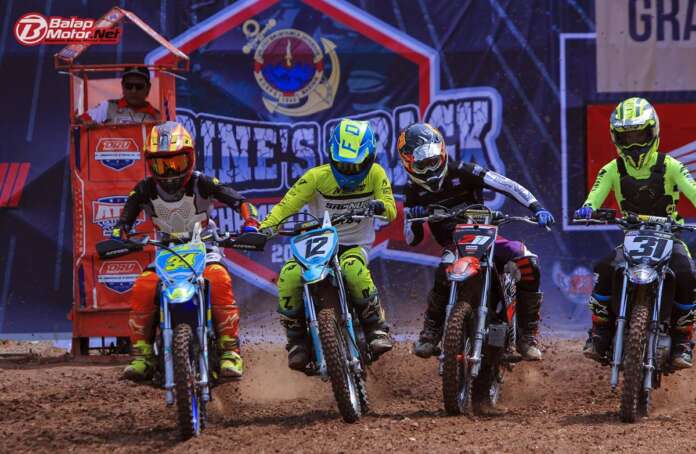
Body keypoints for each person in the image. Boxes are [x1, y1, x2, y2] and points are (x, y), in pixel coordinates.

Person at [114, 121, 260, 380]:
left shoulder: (202, 182)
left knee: (218, 278)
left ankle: (229, 351)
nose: (169, 172)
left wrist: (250, 222)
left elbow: (240, 201)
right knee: (144, 286)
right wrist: (120, 235)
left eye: (176, 163)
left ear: (190, 158)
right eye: (161, 165)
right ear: (150, 164)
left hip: (204, 246)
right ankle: (142, 356)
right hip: (166, 251)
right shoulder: (144, 188)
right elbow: (123, 221)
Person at [398, 122, 554, 361]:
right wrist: (414, 217)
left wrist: (536, 207)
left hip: (487, 238)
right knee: (443, 270)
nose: (430, 170)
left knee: (527, 260)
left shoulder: (464, 170)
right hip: (455, 246)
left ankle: (527, 335)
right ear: (409, 166)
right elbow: (412, 239)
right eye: (422, 165)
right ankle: (430, 333)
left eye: (433, 161)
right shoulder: (412, 191)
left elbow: (506, 184)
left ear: (442, 154)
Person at [259, 119, 397, 371]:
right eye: (342, 164)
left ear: (369, 158)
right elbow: (287, 205)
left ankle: (376, 328)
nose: (349, 170)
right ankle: (297, 341)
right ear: (332, 156)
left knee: (353, 271)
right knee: (288, 276)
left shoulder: (376, 174)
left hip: (354, 246)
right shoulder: (316, 177)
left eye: (355, 165)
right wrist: (266, 227)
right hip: (317, 245)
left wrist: (380, 206)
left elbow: (391, 210)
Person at [576, 97, 696, 369]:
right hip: (634, 238)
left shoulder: (671, 165)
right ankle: (600, 334)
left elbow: (693, 191)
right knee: (604, 268)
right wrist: (587, 209)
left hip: (670, 237)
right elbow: (594, 196)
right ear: (616, 138)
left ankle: (682, 341)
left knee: (687, 273)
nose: (633, 144)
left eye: (639, 135)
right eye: (626, 137)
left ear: (652, 132)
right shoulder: (612, 169)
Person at [78, 66, 160, 124]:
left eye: (139, 86)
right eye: (129, 86)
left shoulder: (158, 117)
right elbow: (80, 121)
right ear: (122, 86)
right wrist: (85, 123)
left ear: (148, 88)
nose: (133, 91)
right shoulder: (107, 107)